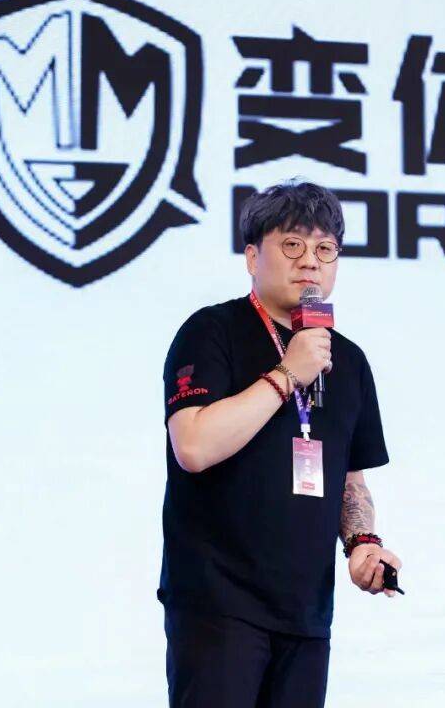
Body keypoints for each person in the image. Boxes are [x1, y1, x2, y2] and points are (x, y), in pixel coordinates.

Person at [159, 180, 402, 708]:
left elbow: (350, 480)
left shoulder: (348, 360)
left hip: (306, 613)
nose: (310, 261)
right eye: (292, 244)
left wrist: (362, 544)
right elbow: (193, 446)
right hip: (219, 604)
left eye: (325, 249)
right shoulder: (212, 331)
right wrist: (288, 373)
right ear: (253, 257)